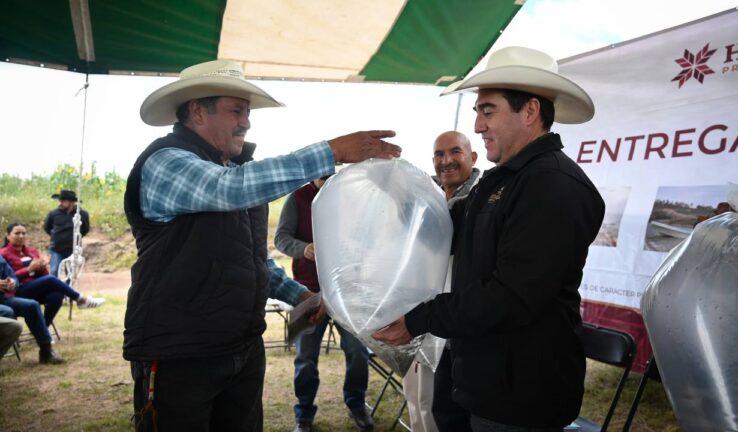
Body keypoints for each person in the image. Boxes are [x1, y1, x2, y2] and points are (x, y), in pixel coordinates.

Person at [124, 59, 400, 432]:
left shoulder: (234, 170)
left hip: (240, 347)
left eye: (248, 112)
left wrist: (298, 294)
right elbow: (228, 190)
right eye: (236, 110)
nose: (247, 121)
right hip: (181, 352)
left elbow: (249, 257)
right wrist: (330, 151)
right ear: (196, 112)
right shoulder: (167, 161)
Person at [373, 46, 605, 431]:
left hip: (522, 394)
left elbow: (511, 297)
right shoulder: (502, 181)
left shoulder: (552, 186)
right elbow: (443, 234)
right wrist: (393, 192)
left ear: (530, 111)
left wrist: (419, 319)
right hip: (484, 378)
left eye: (487, 110)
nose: (478, 126)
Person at [275, 175, 373, 432]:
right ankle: (304, 413)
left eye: (330, 172)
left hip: (347, 292)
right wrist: (304, 249)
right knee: (305, 359)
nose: (326, 177)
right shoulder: (296, 198)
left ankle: (357, 404)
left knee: (359, 352)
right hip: (306, 291)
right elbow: (281, 239)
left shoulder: (348, 197)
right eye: (320, 173)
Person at [402, 130, 479, 432]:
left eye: (455, 152)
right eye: (438, 154)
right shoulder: (425, 199)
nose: (446, 161)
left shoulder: (482, 198)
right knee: (426, 400)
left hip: (461, 321)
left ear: (473, 157)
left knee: (452, 409)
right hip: (425, 315)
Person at [0, 223, 105, 325]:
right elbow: (10, 277)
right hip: (17, 290)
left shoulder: (32, 251)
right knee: (51, 279)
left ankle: (42, 328)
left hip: (35, 288)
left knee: (57, 295)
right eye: (17, 233)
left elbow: (44, 276)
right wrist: (28, 270)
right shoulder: (3, 253)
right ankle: (80, 299)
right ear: (8, 236)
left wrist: (42, 266)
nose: (21, 236)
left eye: (24, 233)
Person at [0, 255, 64, 363]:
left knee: (32, 305)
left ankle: (46, 352)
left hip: (3, 298)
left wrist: (12, 283)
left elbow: (13, 276)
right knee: (7, 311)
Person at [44, 189, 90, 278]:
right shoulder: (53, 214)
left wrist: (75, 238)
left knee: (71, 274)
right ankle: (54, 291)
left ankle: (68, 291)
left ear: (72, 202)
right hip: (56, 248)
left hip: (73, 249)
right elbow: (47, 227)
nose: (60, 203)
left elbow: (85, 229)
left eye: (63, 201)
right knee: (54, 270)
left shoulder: (81, 214)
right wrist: (56, 237)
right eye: (60, 201)